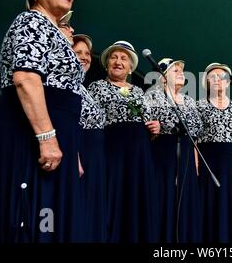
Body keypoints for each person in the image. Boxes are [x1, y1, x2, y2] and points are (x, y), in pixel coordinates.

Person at [0, 0, 83, 242]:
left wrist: (70, 149)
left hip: (58, 139)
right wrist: (47, 138)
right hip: (33, 140)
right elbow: (26, 79)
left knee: (52, 218)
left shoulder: (54, 31)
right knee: (34, 218)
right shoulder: (31, 21)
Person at [87, 40, 160, 242]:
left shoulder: (137, 92)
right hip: (112, 149)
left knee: (135, 199)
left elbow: (146, 120)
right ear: (106, 63)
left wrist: (155, 127)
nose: (118, 62)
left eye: (123, 58)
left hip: (139, 154)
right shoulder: (96, 87)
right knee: (113, 196)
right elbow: (91, 121)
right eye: (114, 57)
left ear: (130, 68)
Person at [145, 58, 202, 243]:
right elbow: (145, 126)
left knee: (186, 202)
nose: (181, 73)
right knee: (163, 199)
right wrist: (155, 128)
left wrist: (196, 162)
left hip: (186, 155)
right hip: (162, 153)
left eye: (181, 70)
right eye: (174, 70)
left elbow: (195, 134)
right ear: (162, 77)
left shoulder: (189, 100)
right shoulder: (153, 96)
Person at [196, 63, 232, 243]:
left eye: (222, 77)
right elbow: (194, 139)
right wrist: (196, 164)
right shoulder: (199, 105)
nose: (218, 80)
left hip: (231, 160)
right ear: (207, 83)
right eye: (213, 77)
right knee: (210, 201)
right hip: (207, 159)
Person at [72, 34, 107, 242]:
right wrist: (75, 158)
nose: (84, 57)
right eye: (78, 52)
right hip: (79, 155)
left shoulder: (84, 88)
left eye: (87, 54)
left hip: (95, 158)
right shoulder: (67, 85)